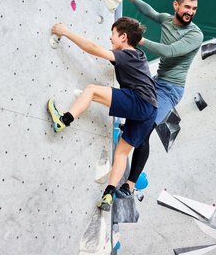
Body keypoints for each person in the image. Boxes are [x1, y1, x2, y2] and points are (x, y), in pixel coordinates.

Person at [47, 17, 158, 211]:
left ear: (123, 37)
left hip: (139, 101)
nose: (110, 38)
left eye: (113, 35)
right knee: (122, 152)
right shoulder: (138, 55)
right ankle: (109, 194)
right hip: (150, 111)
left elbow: (92, 48)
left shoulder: (128, 55)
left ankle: (63, 120)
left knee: (91, 90)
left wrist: (66, 32)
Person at [122, 0, 204, 194]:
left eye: (194, 9)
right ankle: (130, 127)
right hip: (157, 81)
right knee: (133, 106)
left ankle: (130, 185)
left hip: (171, 90)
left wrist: (137, 39)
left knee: (145, 130)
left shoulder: (195, 34)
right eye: (187, 7)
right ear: (176, 5)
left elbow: (169, 52)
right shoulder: (167, 20)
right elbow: (150, 11)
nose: (190, 12)